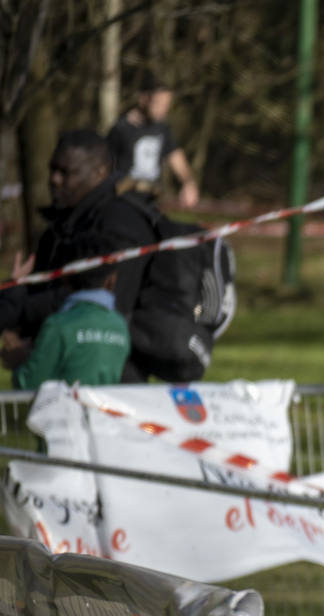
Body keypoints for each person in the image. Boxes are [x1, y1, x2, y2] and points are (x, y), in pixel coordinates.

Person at [0, 129, 155, 382]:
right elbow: (40, 287)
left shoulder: (120, 222)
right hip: (57, 369)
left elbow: (92, 295)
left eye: (66, 172)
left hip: (109, 377)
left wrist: (19, 308)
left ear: (100, 172)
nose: (54, 179)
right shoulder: (65, 223)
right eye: (52, 170)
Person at [1, 231, 130, 388]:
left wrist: (19, 360)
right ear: (112, 279)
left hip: (62, 411)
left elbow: (29, 382)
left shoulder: (58, 326)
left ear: (65, 279)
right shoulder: (119, 325)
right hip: (104, 412)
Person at [106, 73, 199, 209]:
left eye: (167, 105)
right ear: (143, 99)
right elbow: (105, 165)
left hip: (151, 199)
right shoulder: (121, 129)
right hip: (124, 200)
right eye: (159, 104)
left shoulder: (162, 127)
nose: (163, 110)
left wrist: (188, 182)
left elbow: (175, 155)